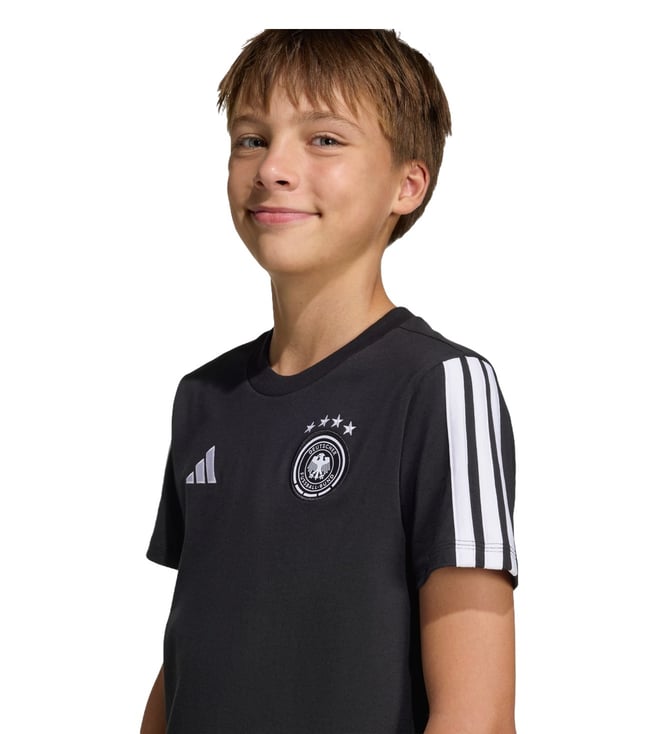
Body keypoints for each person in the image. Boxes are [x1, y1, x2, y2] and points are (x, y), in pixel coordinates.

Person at [141, 29, 518, 734]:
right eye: (251, 139)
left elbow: (478, 714)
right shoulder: (203, 399)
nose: (273, 168)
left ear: (407, 184)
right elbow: (192, 650)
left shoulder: (440, 386)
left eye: (324, 140)